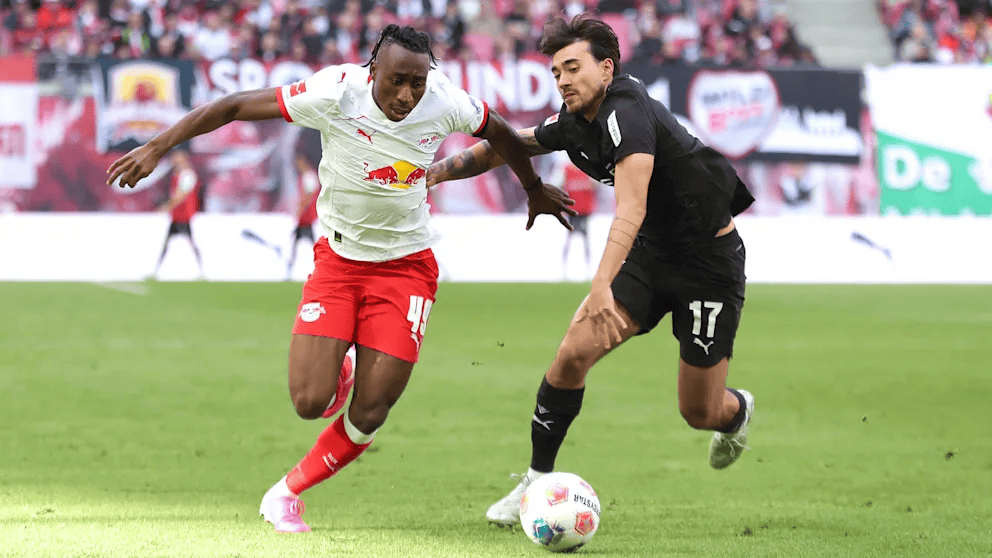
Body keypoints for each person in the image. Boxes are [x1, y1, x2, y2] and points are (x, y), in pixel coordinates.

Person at [107, 24, 576, 533]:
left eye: (417, 83)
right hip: (339, 264)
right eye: (397, 81)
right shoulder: (335, 92)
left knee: (371, 411)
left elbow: (499, 131)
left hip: (406, 268)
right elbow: (235, 105)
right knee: (310, 402)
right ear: (373, 72)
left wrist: (533, 187)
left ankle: (286, 493)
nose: (407, 95)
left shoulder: (444, 100)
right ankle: (342, 370)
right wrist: (158, 146)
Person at [427, 15, 757, 526]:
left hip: (708, 266)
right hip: (650, 257)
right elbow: (505, 145)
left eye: (573, 67)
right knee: (570, 357)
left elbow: (631, 207)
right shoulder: (573, 122)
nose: (562, 80)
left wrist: (601, 284)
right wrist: (429, 175)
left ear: (606, 68)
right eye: (556, 72)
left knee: (700, 412)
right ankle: (534, 483)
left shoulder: (628, 110)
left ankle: (737, 412)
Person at [152, 148, 204, 279]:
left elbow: (181, 195)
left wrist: (167, 206)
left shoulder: (188, 175)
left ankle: (202, 271)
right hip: (177, 215)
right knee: (167, 244)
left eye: (178, 157)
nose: (175, 159)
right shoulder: (175, 174)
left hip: (186, 215)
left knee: (193, 243)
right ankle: (156, 271)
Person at [557, 157, 597, 279]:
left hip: (584, 210)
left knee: (585, 239)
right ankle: (564, 268)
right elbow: (557, 185)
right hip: (572, 211)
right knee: (569, 240)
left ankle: (588, 268)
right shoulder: (566, 170)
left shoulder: (587, 169)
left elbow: (595, 184)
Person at [285, 153, 320, 281]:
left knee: (310, 246)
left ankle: (319, 269)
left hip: (307, 217)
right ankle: (290, 270)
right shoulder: (306, 176)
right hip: (305, 218)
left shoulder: (309, 176)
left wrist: (300, 210)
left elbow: (308, 197)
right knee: (297, 245)